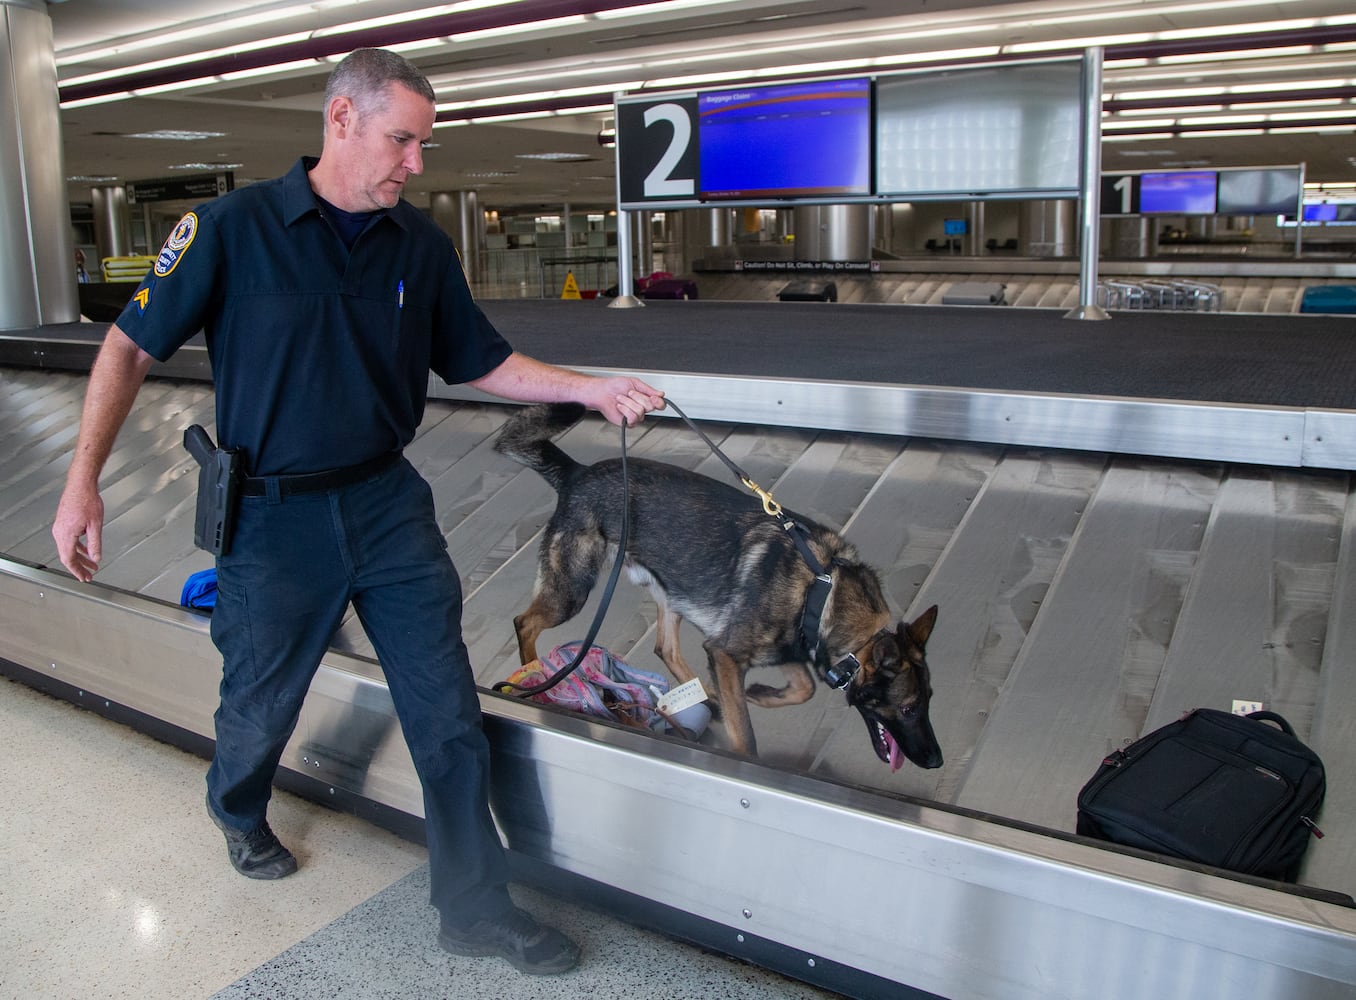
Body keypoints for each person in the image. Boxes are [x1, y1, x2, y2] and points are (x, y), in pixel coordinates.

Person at [51, 47, 664, 978]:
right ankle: (236, 806)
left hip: (386, 506)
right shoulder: (229, 228)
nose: (416, 163)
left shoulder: (418, 245)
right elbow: (129, 348)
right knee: (259, 706)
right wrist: (82, 480)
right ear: (341, 120)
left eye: (424, 143)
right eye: (402, 140)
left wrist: (595, 388)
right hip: (271, 517)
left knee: (447, 711)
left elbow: (480, 361)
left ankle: (473, 906)